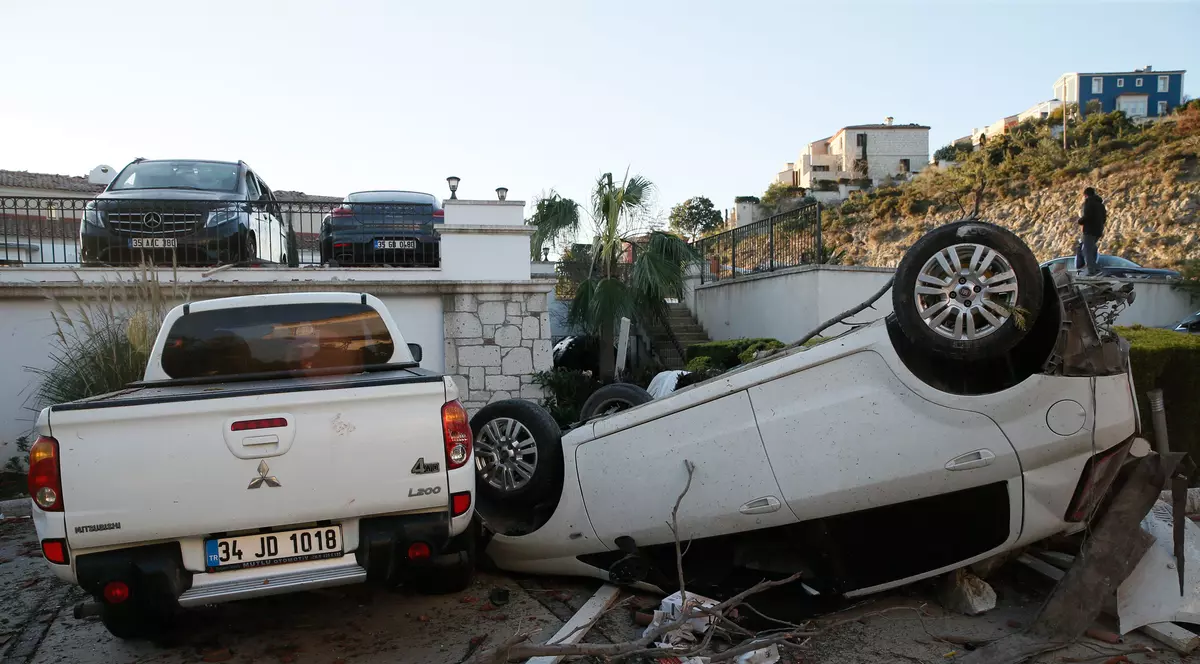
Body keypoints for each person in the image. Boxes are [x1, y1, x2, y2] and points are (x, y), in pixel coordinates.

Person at [1074, 187, 1106, 276]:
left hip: (1089, 230)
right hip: (1098, 231)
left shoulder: (1089, 203)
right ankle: (1093, 267)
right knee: (1090, 248)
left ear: (1086, 195)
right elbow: (1104, 219)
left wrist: (1080, 221)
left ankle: (1092, 270)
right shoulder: (1101, 205)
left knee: (1087, 250)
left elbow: (1087, 216)